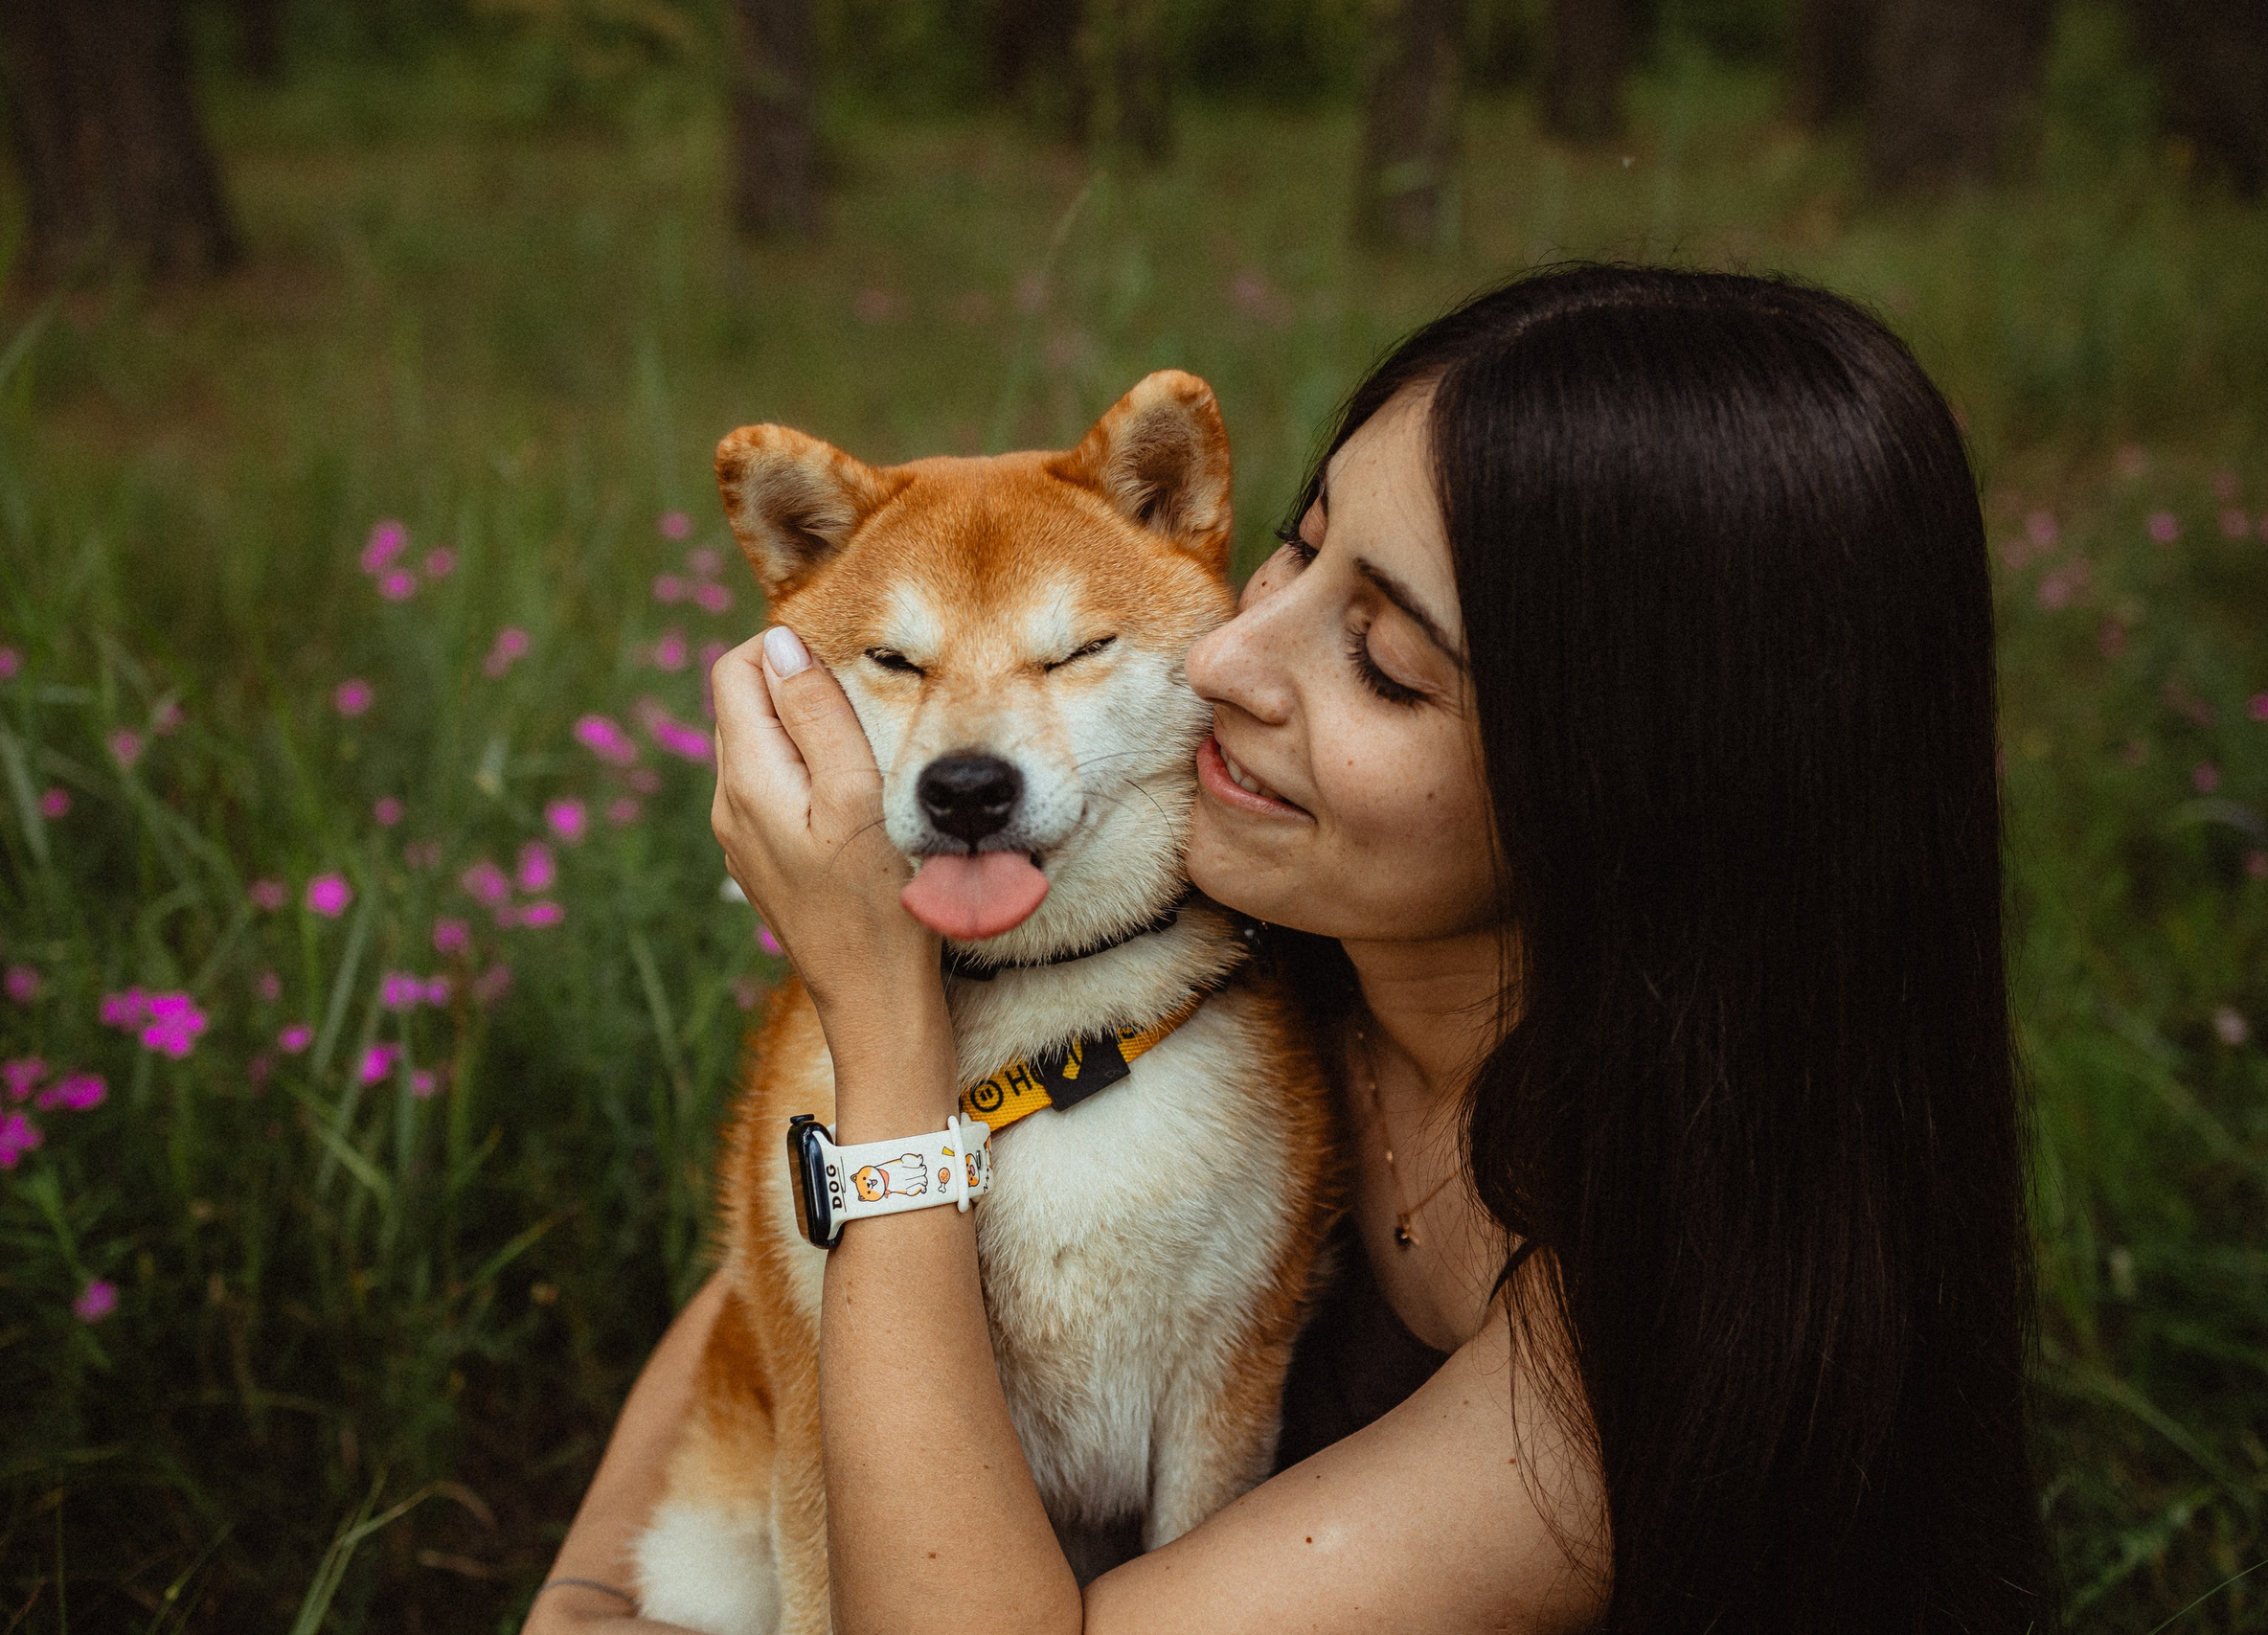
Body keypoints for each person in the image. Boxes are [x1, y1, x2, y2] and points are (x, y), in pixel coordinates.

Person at [527, 264, 2050, 1635]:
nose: (1227, 653)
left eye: (1385, 665)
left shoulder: (1636, 1344)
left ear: (1635, 790)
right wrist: (588, 1596)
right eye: (1294, 549)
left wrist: (882, 1021)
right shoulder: (1236, 941)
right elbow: (782, 1275)